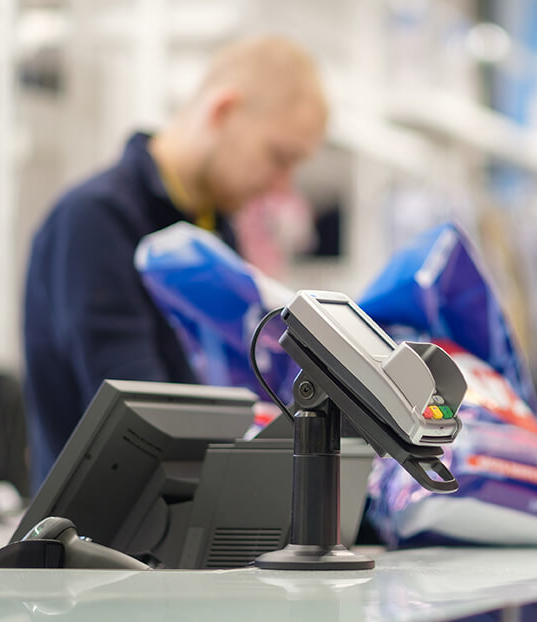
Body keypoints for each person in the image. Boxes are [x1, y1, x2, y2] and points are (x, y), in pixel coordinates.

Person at [22, 36, 329, 490]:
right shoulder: (96, 222)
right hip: (96, 548)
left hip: (186, 533)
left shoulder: (213, 232)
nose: (281, 185)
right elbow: (144, 428)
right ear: (223, 111)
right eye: (278, 157)